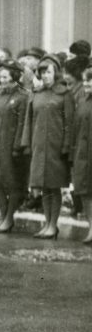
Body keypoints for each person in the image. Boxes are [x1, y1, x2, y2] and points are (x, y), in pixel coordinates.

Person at [21, 56, 75, 239]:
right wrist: (27, 143)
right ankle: (47, 223)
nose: (45, 76)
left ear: (56, 73)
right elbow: (29, 121)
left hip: (56, 148)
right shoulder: (36, 93)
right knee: (43, 187)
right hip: (39, 146)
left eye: (48, 72)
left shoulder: (64, 94)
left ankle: (53, 225)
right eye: (42, 72)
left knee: (54, 186)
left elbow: (69, 122)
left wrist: (66, 147)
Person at [0, 60, 30, 233]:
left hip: (11, 148)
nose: (1, 80)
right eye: (0, 77)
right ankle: (3, 217)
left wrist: (18, 146)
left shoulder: (22, 97)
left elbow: (22, 123)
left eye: (5, 77)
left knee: (13, 183)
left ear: (15, 77)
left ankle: (9, 218)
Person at [70, 66, 92, 244]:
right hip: (83, 153)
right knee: (85, 191)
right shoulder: (83, 101)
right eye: (85, 80)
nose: (87, 84)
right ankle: (91, 227)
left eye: (90, 80)